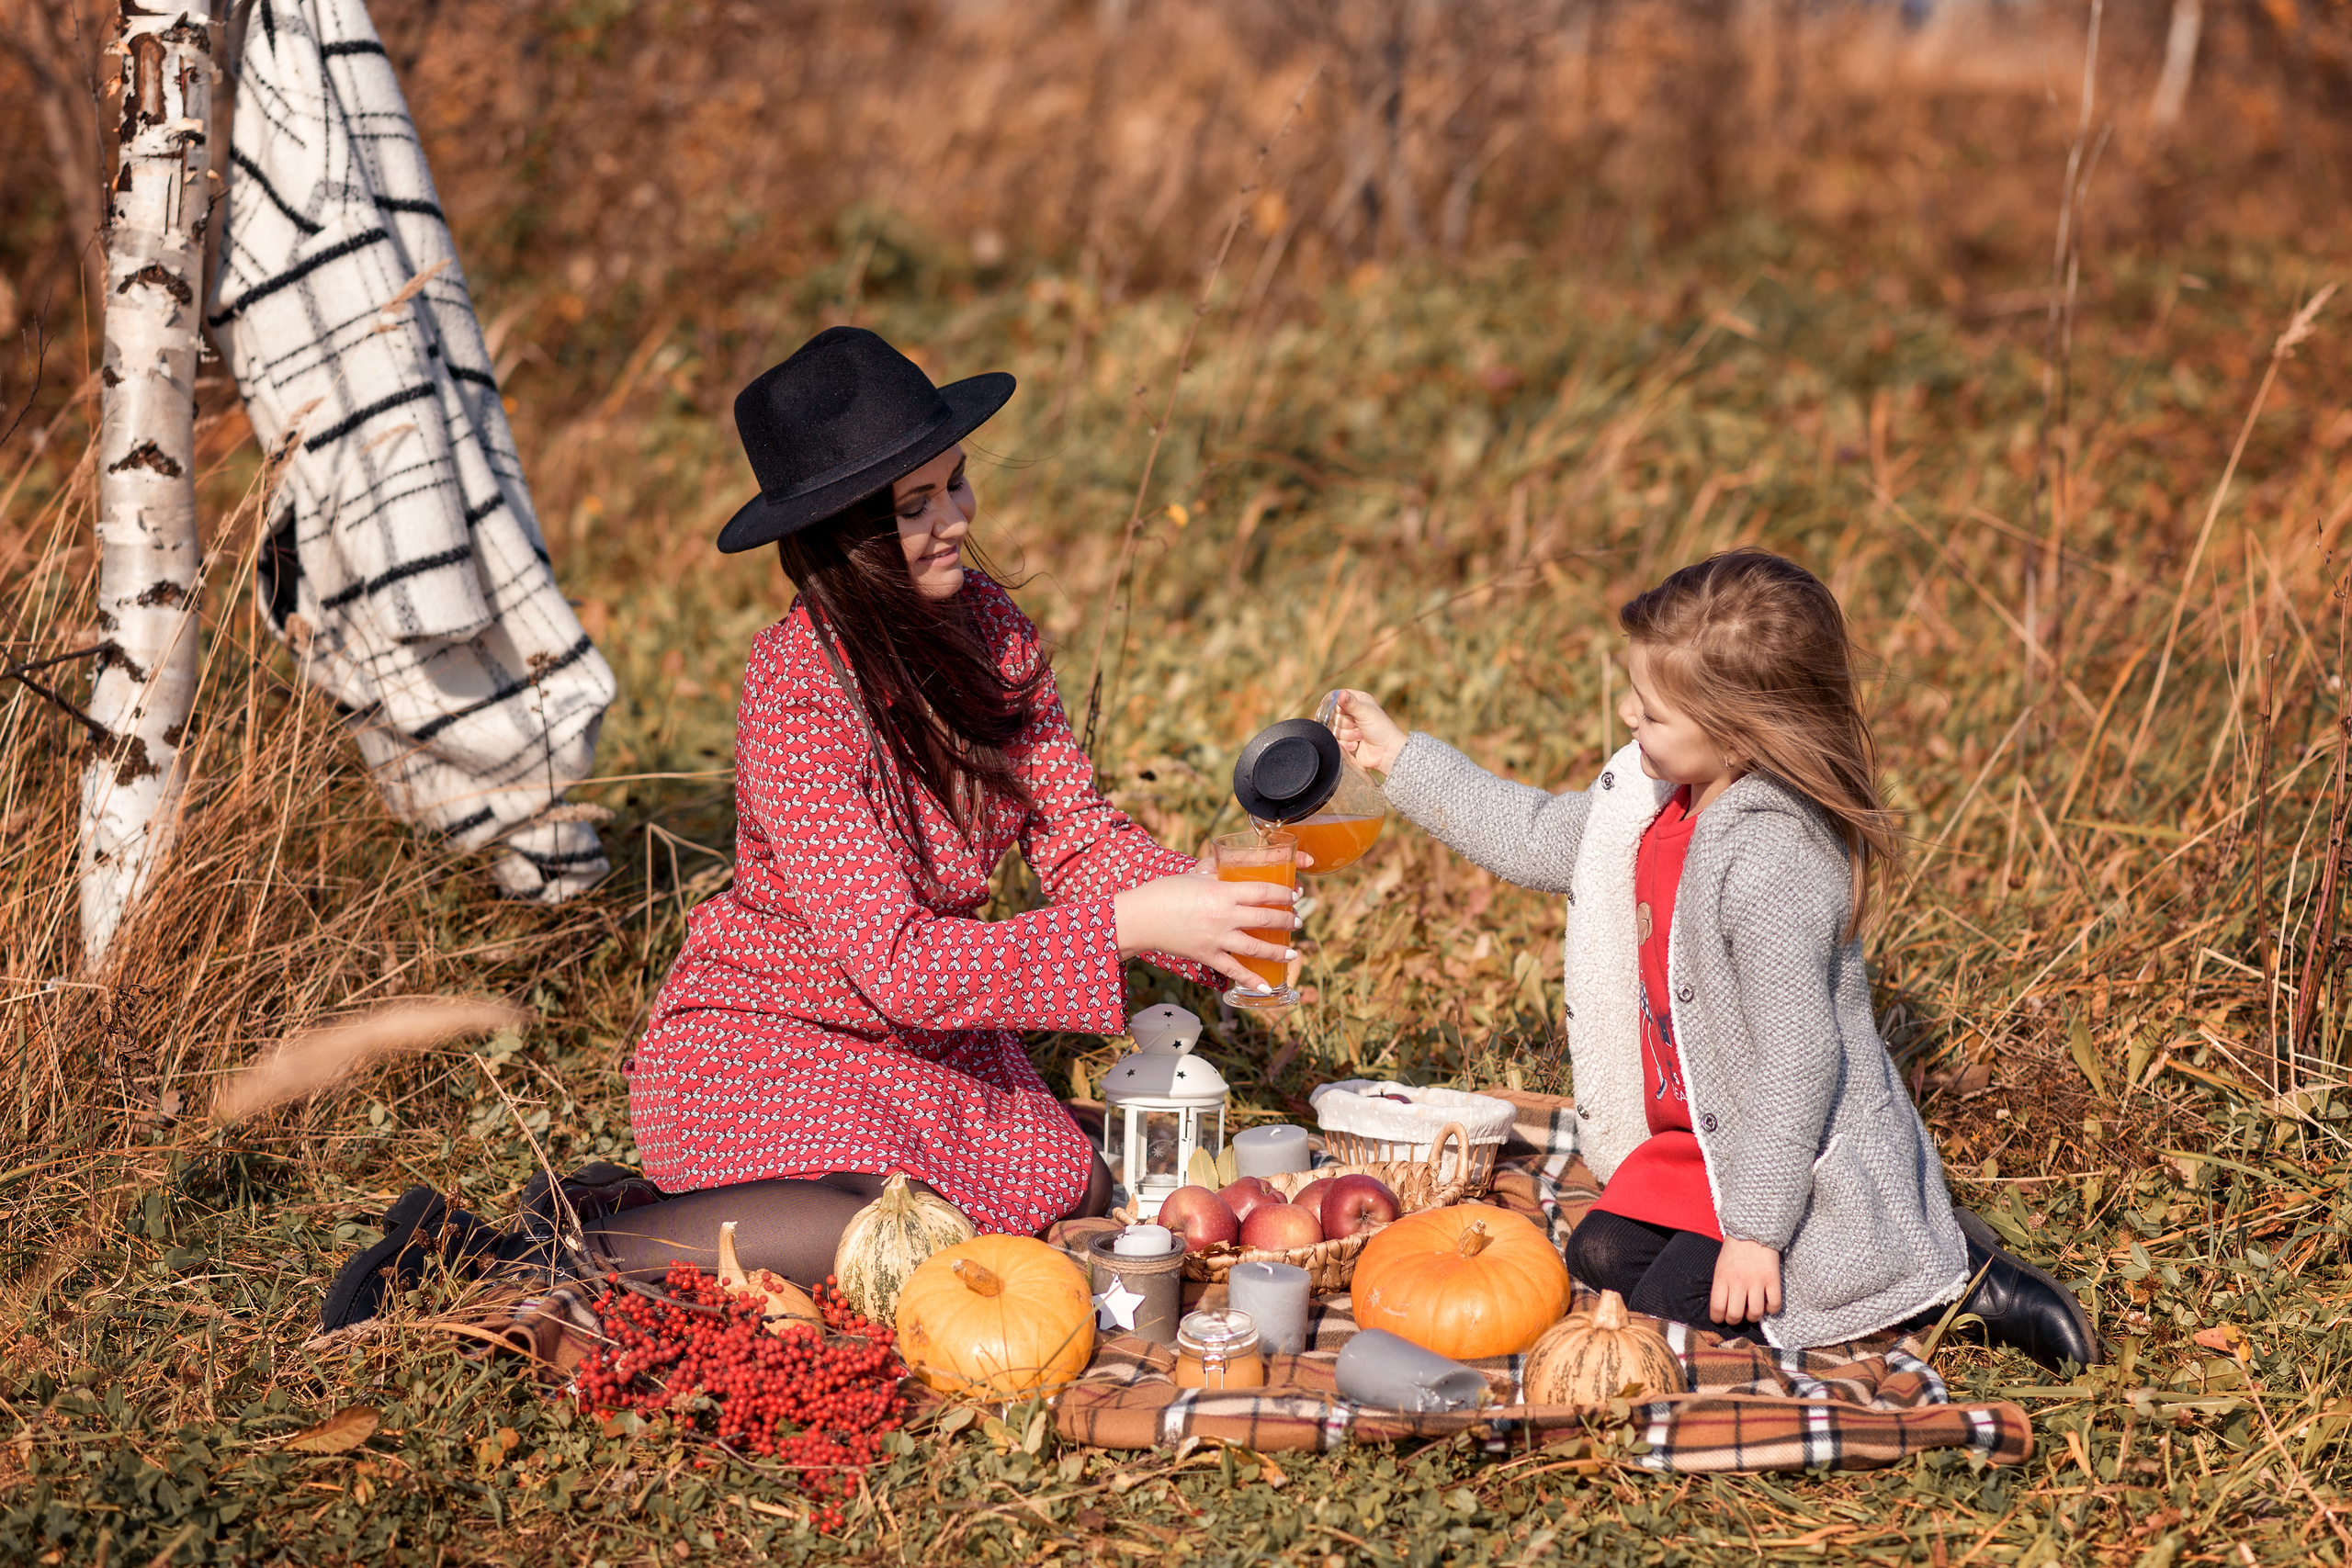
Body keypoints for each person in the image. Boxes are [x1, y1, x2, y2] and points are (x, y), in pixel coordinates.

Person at [321, 327, 1300, 1330]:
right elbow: (898, 965)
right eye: (914, 507)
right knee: (888, 1235)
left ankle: (630, 1209)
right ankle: (505, 1256)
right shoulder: (796, 692)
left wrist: (1210, 910)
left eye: (954, 485)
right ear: (844, 535)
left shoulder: (995, 633)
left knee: (1061, 1194)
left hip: (929, 1049)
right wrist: (1134, 925)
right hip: (771, 1037)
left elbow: (1076, 835)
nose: (955, 521)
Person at [1330, 548, 2098, 1371]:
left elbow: (1799, 1061)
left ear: (1738, 730)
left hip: (1788, 1152)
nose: (1628, 715)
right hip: (1699, 1142)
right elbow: (1538, 835)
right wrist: (1399, 758)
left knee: (1680, 1304)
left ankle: (1951, 1275)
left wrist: (1758, 1235)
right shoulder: (1652, 800)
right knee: (1599, 1257)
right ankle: (1870, 1253)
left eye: (1652, 711)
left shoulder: (1770, 860)